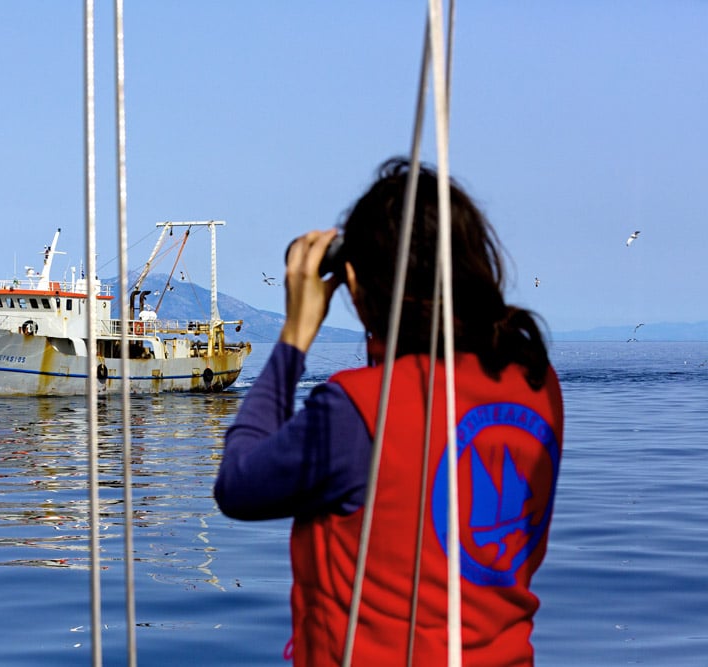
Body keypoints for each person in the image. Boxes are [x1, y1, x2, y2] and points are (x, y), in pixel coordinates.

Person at [214, 158, 564, 666]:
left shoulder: (358, 409)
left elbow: (237, 485)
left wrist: (293, 336)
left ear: (354, 284)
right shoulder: (538, 385)